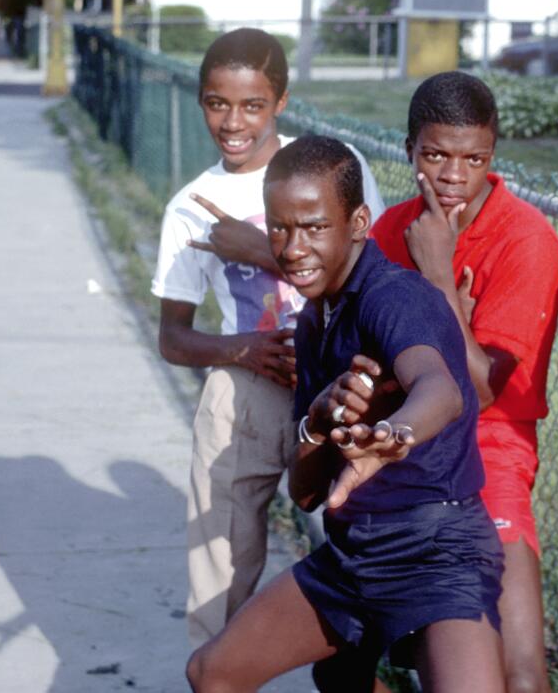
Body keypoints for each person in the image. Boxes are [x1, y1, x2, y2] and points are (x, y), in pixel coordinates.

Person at [186, 135, 505, 693]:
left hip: (436, 548)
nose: (290, 248)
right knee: (213, 673)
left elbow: (440, 389)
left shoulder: (394, 297)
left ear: (358, 222)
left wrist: (392, 434)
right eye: (279, 227)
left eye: (313, 227)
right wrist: (317, 423)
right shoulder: (314, 321)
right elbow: (307, 494)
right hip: (355, 552)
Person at [150, 27, 383, 645]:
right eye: (216, 103)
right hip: (248, 391)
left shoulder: (332, 167)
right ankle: (216, 671)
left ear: (280, 102)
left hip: (339, 384)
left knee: (358, 546)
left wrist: (261, 251)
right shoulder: (191, 205)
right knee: (220, 568)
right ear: (200, 100)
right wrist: (241, 350)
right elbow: (172, 338)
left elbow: (372, 274)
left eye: (252, 104)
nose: (232, 122)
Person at [369, 71, 558, 693]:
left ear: (493, 154)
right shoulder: (384, 232)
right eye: (436, 155)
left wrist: (434, 278)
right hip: (402, 452)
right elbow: (365, 364)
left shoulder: (524, 239)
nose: (455, 176)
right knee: (407, 666)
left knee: (521, 672)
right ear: (409, 150)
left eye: (474, 158)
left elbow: (481, 391)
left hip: (490, 454)